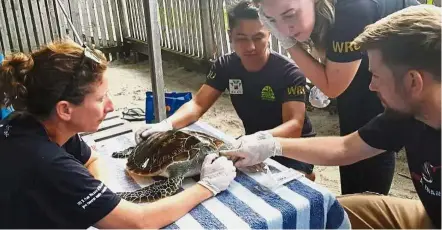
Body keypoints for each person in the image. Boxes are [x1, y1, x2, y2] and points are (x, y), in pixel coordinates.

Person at [223, 4, 441, 228]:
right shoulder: (409, 113)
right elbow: (345, 148)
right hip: (430, 215)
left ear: (413, 81)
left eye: (376, 76)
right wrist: (271, 145)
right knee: (321, 212)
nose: (372, 86)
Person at [0, 40, 236, 228]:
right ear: (65, 109)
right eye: (101, 98)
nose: (111, 106)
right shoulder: (49, 163)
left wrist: (96, 197)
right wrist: (207, 187)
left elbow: (92, 158)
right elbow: (139, 222)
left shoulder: (31, 121)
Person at [251, 0, 422, 196]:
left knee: (375, 136)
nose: (283, 28)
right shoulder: (326, 13)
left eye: (289, 14)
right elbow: (345, 146)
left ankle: (366, 206)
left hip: (418, 62)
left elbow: (332, 86)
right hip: (381, 55)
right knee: (355, 124)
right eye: (272, 20)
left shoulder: (352, 10)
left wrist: (288, 43)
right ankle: (353, 203)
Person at [135, 0, 316, 180]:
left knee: (292, 186)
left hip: (292, 148)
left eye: (258, 37)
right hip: (249, 143)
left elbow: (294, 126)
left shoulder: (290, 72)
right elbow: (198, 104)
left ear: (270, 34)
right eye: (242, 38)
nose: (251, 47)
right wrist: (166, 125)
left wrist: (258, 138)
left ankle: (308, 173)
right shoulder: (225, 66)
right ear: (230, 36)